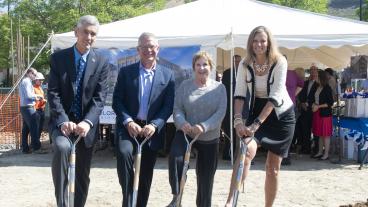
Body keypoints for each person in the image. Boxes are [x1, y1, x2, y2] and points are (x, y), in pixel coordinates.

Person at [225, 26, 295, 207]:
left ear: (269, 42)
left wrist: (255, 125)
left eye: (263, 41)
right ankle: (230, 201)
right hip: (257, 111)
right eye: (255, 41)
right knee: (245, 153)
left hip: (281, 116)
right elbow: (239, 94)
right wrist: (238, 120)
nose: (259, 44)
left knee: (272, 169)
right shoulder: (244, 63)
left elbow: (275, 97)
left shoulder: (280, 61)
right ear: (250, 43)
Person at [48, 15, 109, 207]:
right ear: (76, 32)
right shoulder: (58, 59)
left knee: (82, 174)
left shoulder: (101, 61)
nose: (89, 37)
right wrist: (63, 120)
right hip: (63, 123)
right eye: (86, 32)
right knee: (62, 148)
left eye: (93, 34)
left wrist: (87, 122)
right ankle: (62, 203)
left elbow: (100, 99)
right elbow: (53, 93)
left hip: (86, 126)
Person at [112, 32, 175, 207]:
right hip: (128, 128)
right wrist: (128, 121)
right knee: (124, 154)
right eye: (145, 47)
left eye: (152, 46)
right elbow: (117, 100)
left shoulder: (168, 75)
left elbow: (168, 106)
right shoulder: (126, 72)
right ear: (138, 49)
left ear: (158, 49)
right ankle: (128, 198)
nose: (149, 50)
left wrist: (155, 125)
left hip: (151, 131)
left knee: (146, 174)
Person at [167, 51, 226, 207]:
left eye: (205, 64)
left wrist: (204, 126)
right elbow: (177, 108)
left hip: (209, 137)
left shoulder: (220, 89)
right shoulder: (185, 86)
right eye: (198, 65)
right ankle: (176, 197)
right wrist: (182, 123)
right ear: (193, 67)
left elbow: (220, 112)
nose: (201, 68)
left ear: (211, 67)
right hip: (186, 134)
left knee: (206, 177)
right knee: (176, 158)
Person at [282, 57, 304, 165]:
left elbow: (301, 84)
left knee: (286, 131)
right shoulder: (291, 73)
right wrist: (294, 95)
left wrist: (293, 95)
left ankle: (285, 156)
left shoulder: (292, 73)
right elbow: (301, 85)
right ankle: (283, 156)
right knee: (285, 131)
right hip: (283, 105)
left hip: (287, 106)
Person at [221, 54, 242, 161]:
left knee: (239, 130)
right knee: (229, 131)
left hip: (241, 105)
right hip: (229, 105)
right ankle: (227, 153)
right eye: (235, 61)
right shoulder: (227, 73)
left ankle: (238, 153)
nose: (237, 63)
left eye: (239, 61)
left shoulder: (244, 73)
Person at [19, 68, 43, 154]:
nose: (35, 76)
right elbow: (29, 95)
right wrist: (38, 96)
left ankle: (25, 148)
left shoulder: (25, 81)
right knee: (34, 128)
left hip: (24, 107)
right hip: (28, 108)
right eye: (35, 74)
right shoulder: (27, 81)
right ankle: (36, 148)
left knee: (25, 129)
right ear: (29, 73)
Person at [311, 70, 334, 160]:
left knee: (326, 134)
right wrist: (314, 104)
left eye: (316, 76)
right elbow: (315, 99)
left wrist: (318, 106)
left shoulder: (327, 88)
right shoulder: (318, 86)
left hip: (325, 114)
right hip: (318, 113)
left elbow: (330, 103)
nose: (315, 77)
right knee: (320, 134)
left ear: (321, 77)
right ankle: (320, 152)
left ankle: (326, 154)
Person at [297, 65, 318, 155]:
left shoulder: (318, 84)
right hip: (305, 110)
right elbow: (300, 94)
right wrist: (302, 103)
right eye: (311, 70)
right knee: (305, 129)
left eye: (314, 70)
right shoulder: (305, 83)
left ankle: (316, 149)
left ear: (317, 72)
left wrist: (310, 104)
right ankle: (306, 148)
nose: (313, 72)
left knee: (316, 131)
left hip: (314, 110)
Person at [33, 72, 47, 140]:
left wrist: (43, 101)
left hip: (42, 109)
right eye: (40, 80)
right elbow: (33, 99)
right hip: (36, 110)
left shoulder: (40, 88)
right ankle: (35, 143)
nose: (41, 81)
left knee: (40, 127)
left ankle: (37, 141)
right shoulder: (33, 88)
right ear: (36, 80)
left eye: (42, 80)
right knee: (36, 127)